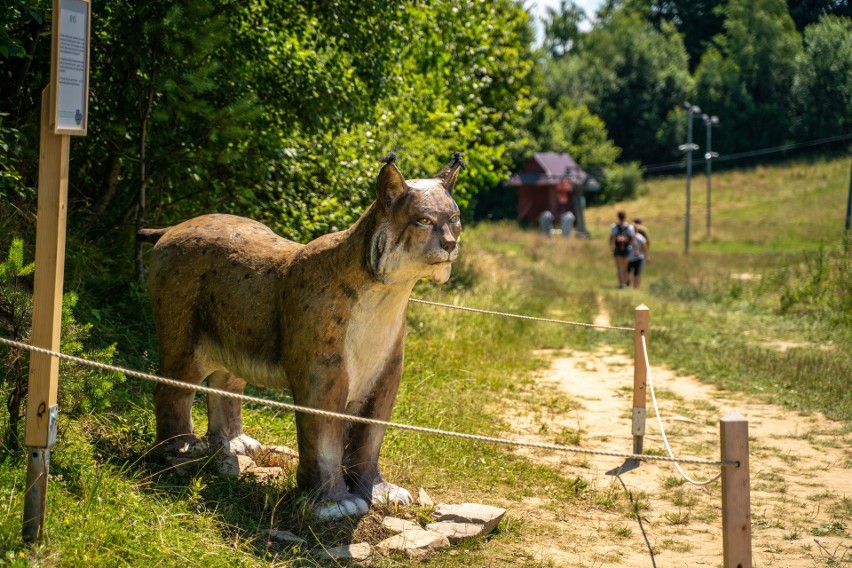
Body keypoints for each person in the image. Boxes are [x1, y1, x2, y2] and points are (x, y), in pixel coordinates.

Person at [609, 210, 635, 288]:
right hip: (627, 248)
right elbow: (632, 239)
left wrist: (611, 247)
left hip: (617, 248)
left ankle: (621, 284)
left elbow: (612, 238)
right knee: (625, 267)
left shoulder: (614, 227)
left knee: (619, 267)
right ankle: (626, 280)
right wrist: (635, 249)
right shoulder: (630, 227)